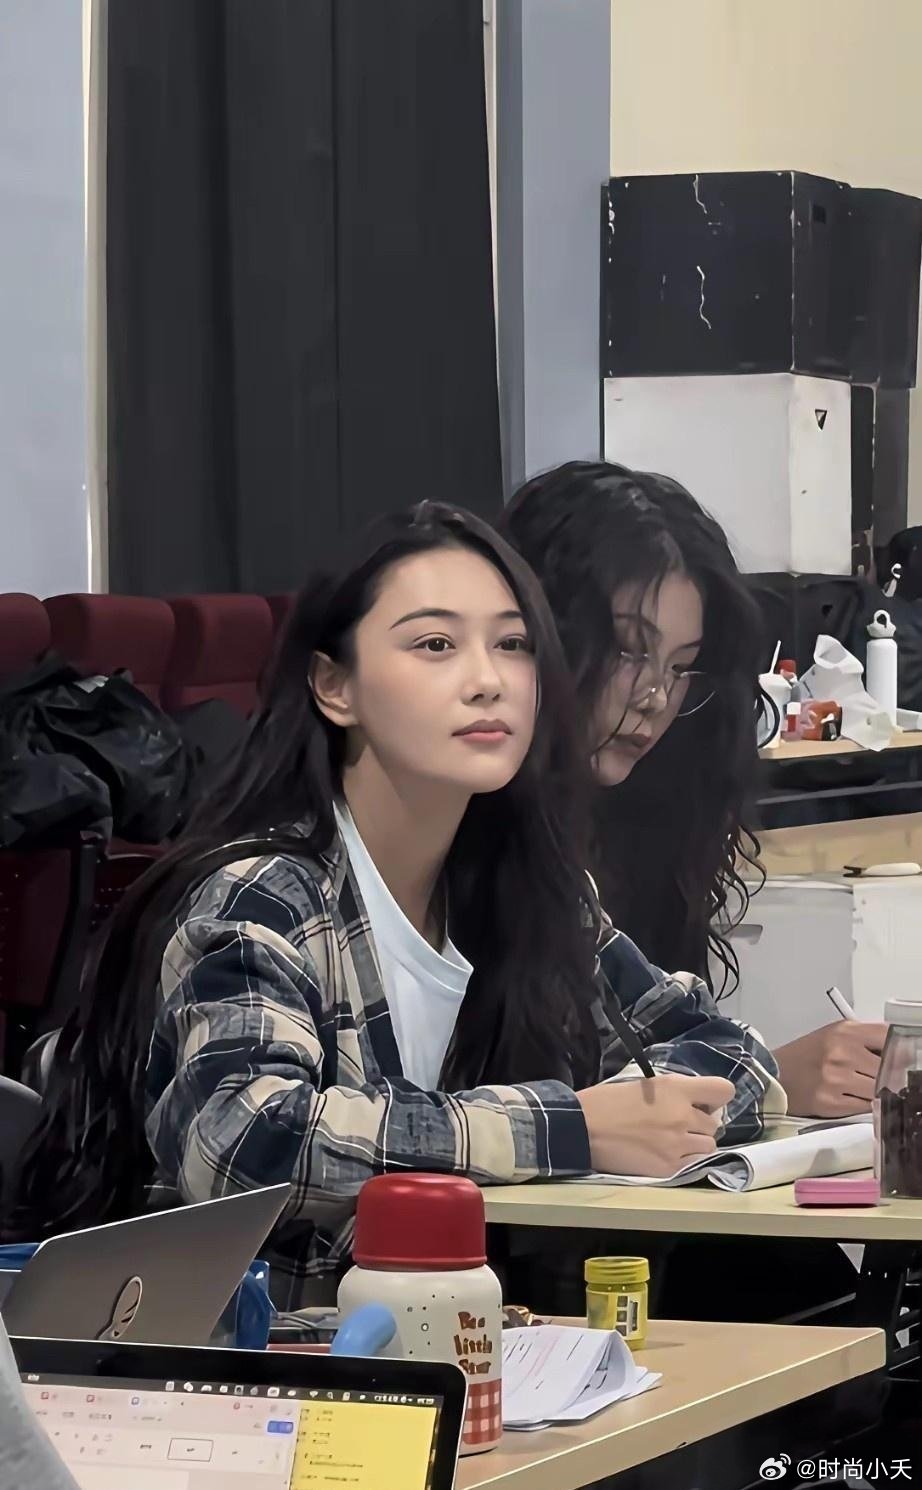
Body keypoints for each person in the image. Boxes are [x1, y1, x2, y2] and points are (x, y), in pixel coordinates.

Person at [9, 503, 778, 1306]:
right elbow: (246, 1139)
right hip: (238, 1360)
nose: (488, 680)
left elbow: (728, 1052)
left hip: (454, 1345)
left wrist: (650, 1115)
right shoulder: (266, 891)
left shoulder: (533, 889)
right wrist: (569, 1128)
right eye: (435, 645)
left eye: (513, 645)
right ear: (334, 686)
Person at [501, 461, 887, 1120]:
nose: (655, 696)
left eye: (681, 666)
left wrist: (755, 1076)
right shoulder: (470, 840)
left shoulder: (630, 838)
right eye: (629, 650)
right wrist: (773, 1079)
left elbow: (687, 1054)